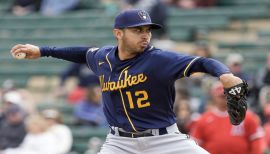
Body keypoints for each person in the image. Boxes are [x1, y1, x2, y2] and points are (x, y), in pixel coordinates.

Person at [11, 9, 245, 154]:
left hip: (164, 140)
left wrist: (224, 74)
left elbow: (202, 63)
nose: (145, 35)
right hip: (119, 143)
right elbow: (80, 53)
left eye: (148, 30)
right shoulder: (102, 57)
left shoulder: (160, 59)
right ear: (118, 33)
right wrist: (43, 50)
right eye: (138, 30)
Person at [191, 81, 264, 154]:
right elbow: (196, 145)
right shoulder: (203, 119)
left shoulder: (246, 116)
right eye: (222, 97)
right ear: (214, 97)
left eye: (228, 96)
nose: (226, 99)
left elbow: (256, 140)